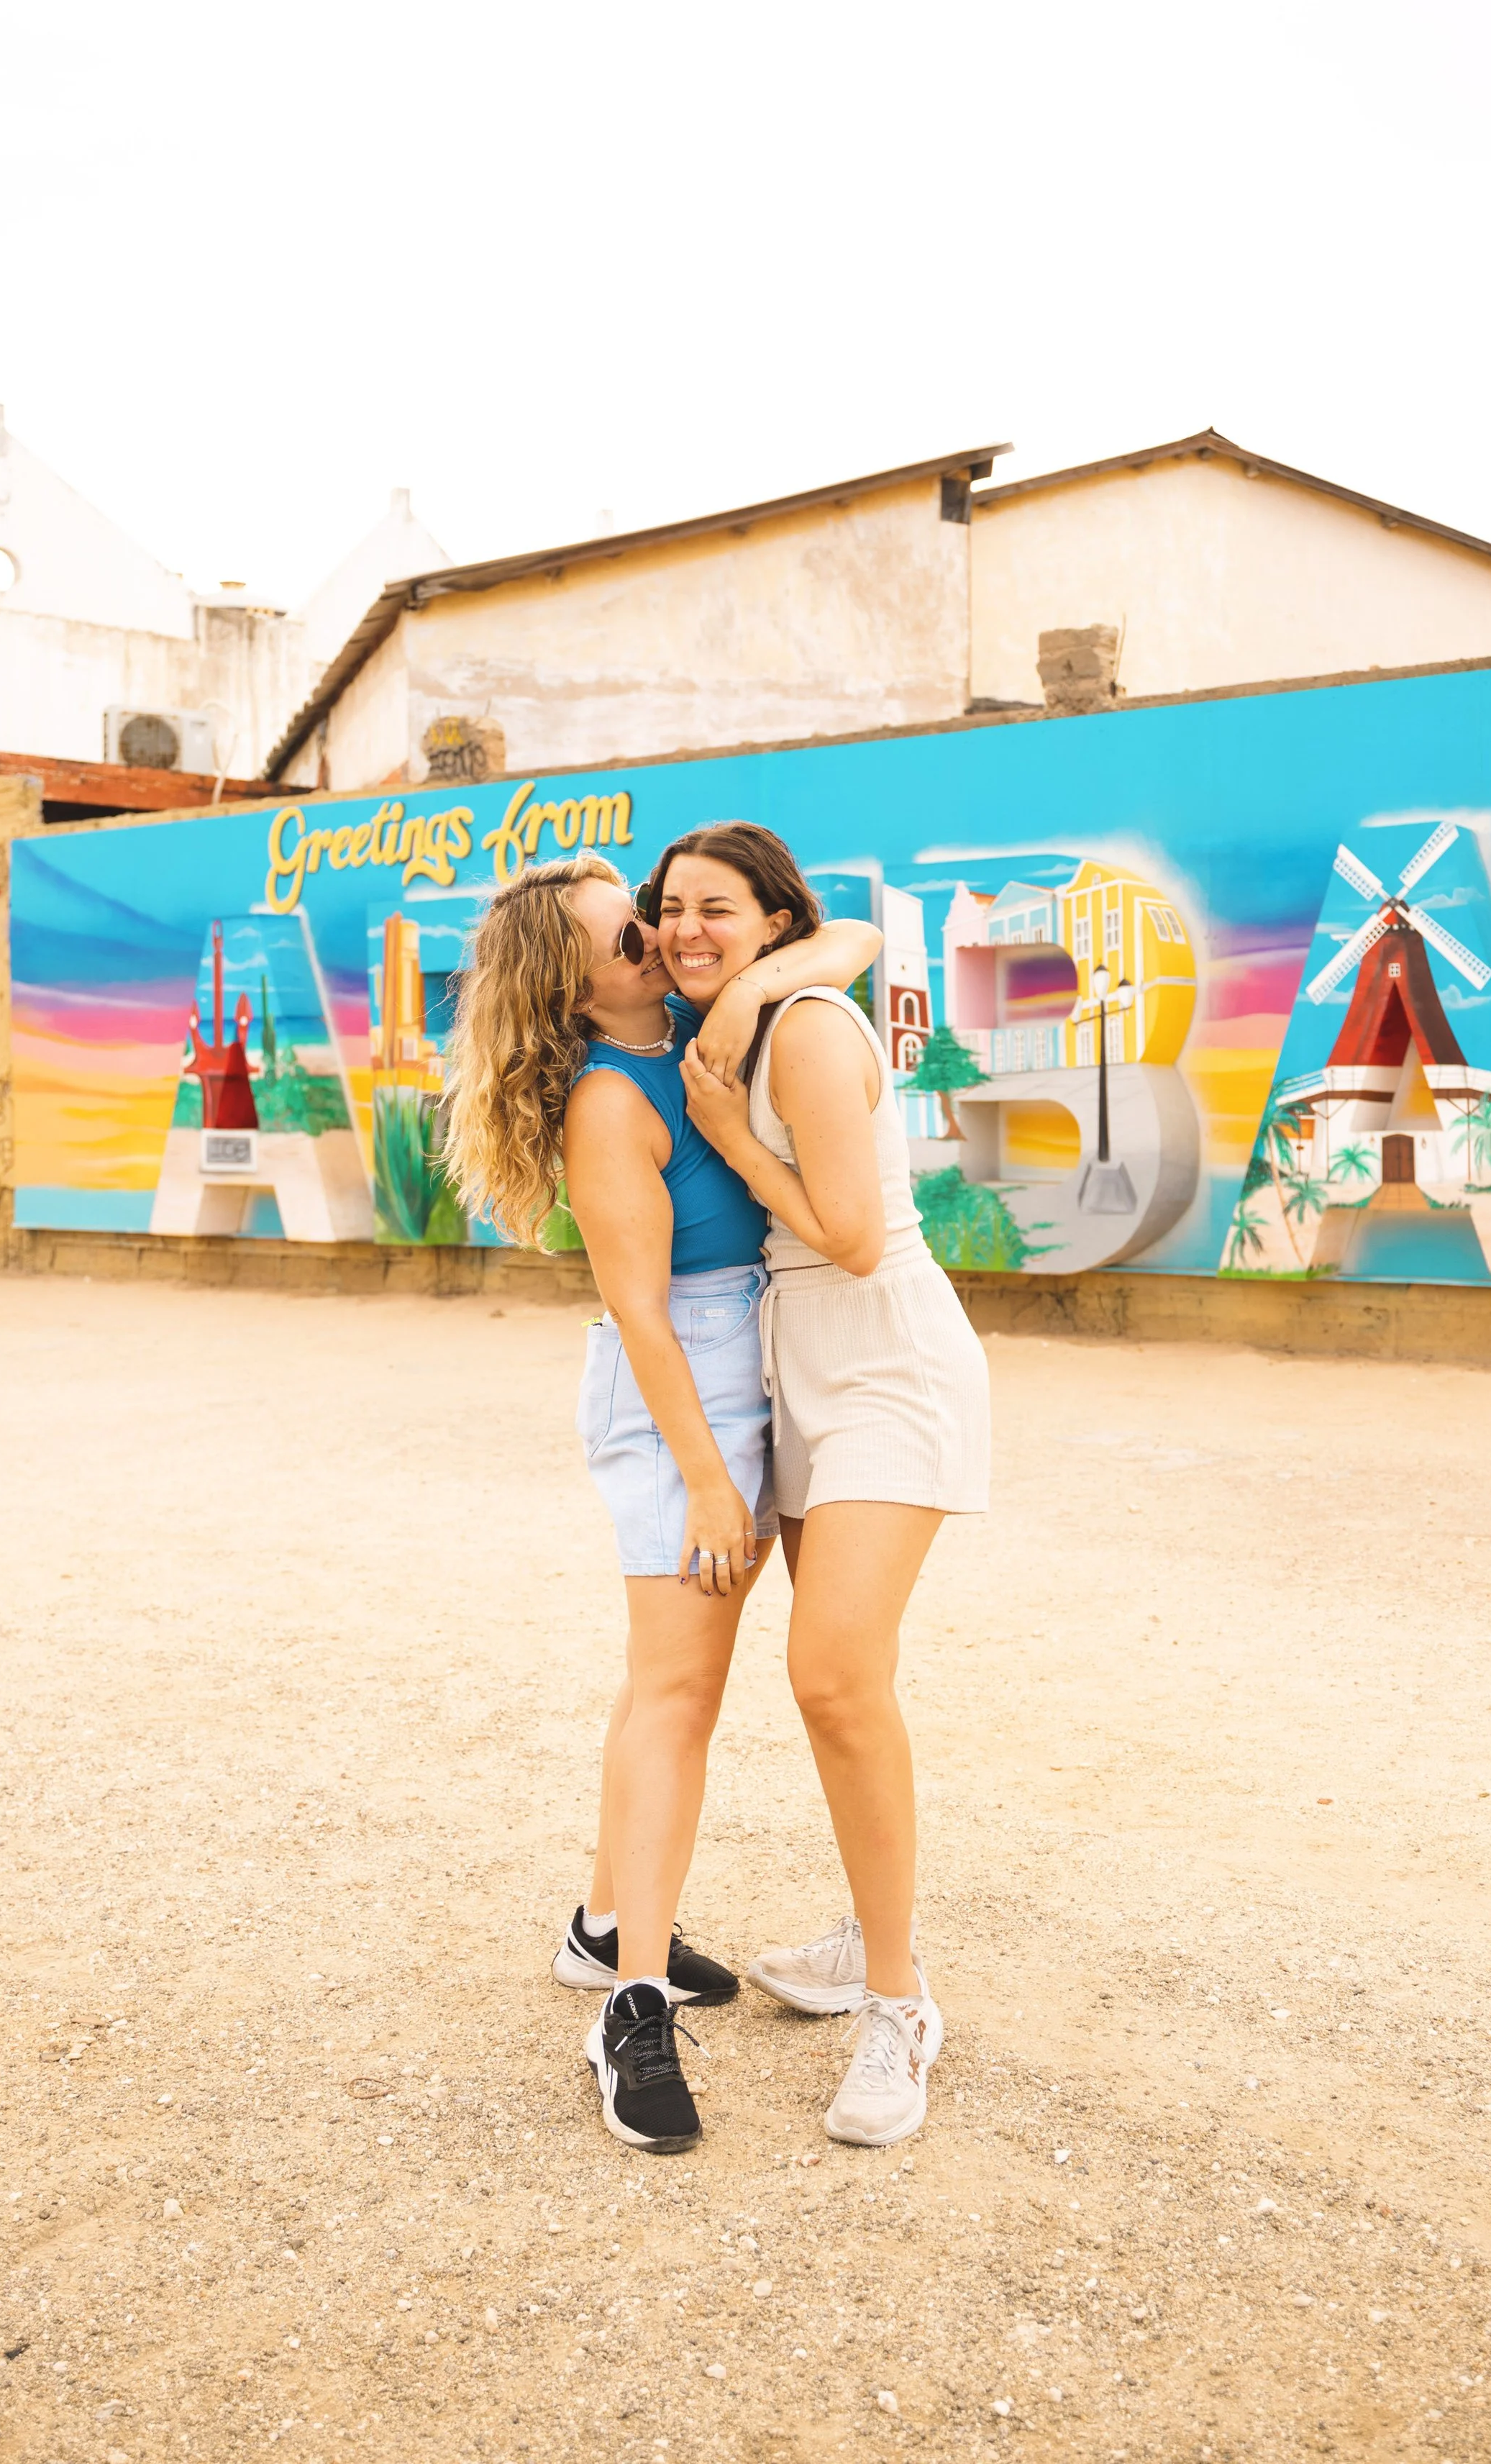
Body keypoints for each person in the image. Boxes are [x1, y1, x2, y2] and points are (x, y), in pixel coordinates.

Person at [440, 850, 880, 2153]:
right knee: (680, 1696)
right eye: (627, 932)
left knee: (658, 1683)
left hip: (742, 1357)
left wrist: (742, 1003)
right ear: (575, 983)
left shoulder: (693, 1027)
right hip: (678, 1390)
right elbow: (637, 1309)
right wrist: (705, 1480)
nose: (657, 937)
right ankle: (628, 2007)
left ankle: (600, 1924)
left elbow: (847, 936)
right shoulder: (605, 1099)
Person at [661, 822, 990, 2147]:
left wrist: (732, 1139)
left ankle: (900, 2007)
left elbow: (853, 1238)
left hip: (881, 1358)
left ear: (773, 921)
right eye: (671, 909)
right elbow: (840, 934)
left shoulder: (794, 1030)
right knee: (847, 1687)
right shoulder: (747, 1014)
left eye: (718, 910)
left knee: (832, 1674)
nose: (688, 929)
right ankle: (872, 1926)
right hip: (799, 1366)